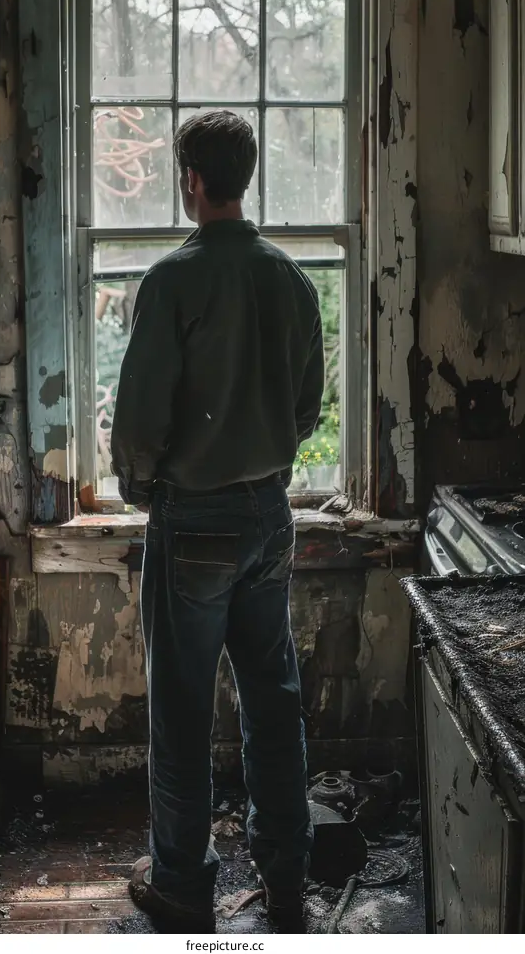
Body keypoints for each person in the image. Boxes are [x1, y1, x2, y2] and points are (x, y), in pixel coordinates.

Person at [111, 110, 325, 933]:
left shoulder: (173, 281)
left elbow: (139, 422)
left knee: (183, 708)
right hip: (270, 514)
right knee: (272, 700)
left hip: (194, 519)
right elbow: (305, 410)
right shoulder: (291, 280)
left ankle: (180, 883)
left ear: (192, 180)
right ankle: (287, 880)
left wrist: (144, 487)